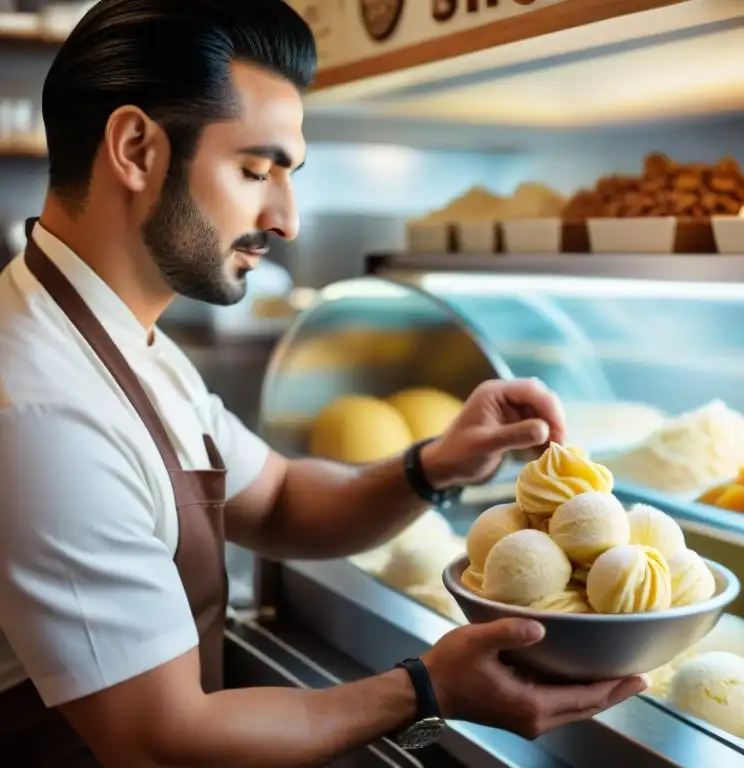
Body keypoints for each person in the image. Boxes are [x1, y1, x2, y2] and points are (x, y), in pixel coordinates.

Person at [0, 1, 648, 765]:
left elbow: (275, 501)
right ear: (137, 148)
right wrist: (427, 691)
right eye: (254, 170)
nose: (288, 220)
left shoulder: (120, 338)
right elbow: (159, 740)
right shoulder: (39, 402)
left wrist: (435, 464)